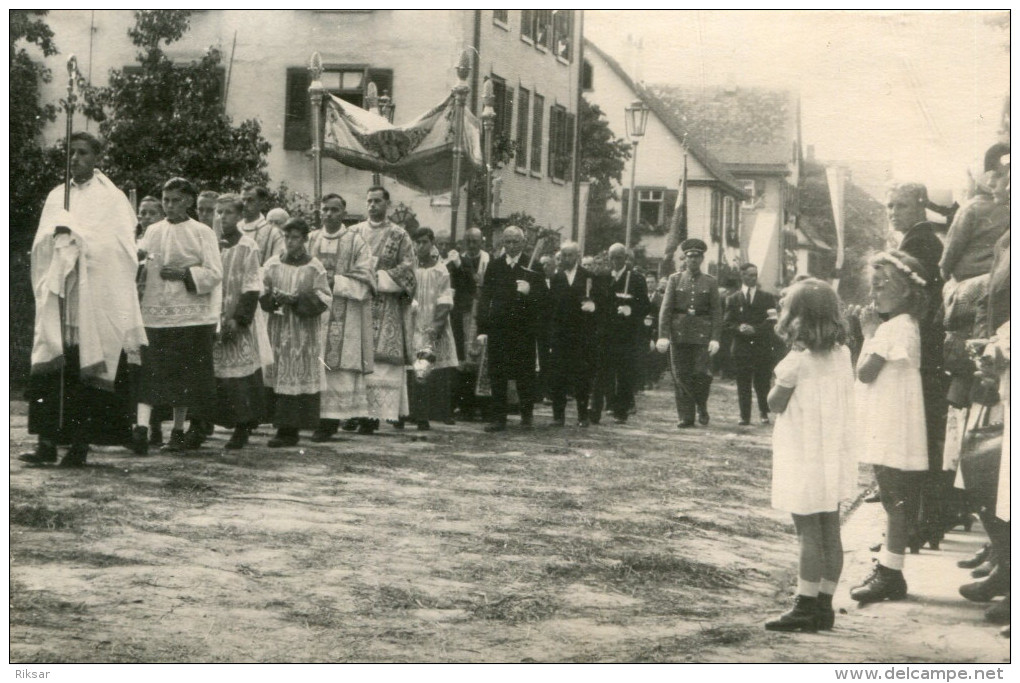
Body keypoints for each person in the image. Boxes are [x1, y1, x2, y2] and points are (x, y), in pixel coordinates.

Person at [21, 131, 147, 468]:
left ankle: (79, 445)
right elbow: (39, 244)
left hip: (93, 296)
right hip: (61, 292)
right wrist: (56, 242)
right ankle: (46, 443)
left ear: (97, 158)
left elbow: (122, 248)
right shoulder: (55, 196)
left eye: (82, 153)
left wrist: (80, 243)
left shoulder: (112, 199)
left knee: (81, 368)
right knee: (52, 367)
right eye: (71, 153)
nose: (75, 159)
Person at [764, 279, 856, 632]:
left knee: (807, 532)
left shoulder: (796, 361)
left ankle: (804, 604)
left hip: (803, 452)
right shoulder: (843, 355)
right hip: (832, 452)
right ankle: (824, 603)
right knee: (830, 528)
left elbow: (775, 402)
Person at [849, 251, 930, 604]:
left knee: (895, 501)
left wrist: (867, 333)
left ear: (904, 291)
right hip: (892, 421)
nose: (874, 294)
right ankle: (889, 568)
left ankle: (891, 573)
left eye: (882, 286)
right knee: (894, 500)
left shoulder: (894, 328)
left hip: (893, 425)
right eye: (873, 286)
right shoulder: (902, 325)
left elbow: (865, 371)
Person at [131, 177, 223, 453]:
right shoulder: (152, 232)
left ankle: (179, 432)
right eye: (166, 200)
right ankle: (142, 430)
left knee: (184, 379)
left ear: (189, 202)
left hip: (192, 317)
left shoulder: (202, 232)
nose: (169, 205)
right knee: (150, 373)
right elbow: (140, 266)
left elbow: (215, 273)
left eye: (175, 200)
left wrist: (185, 274)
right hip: (155, 315)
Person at [885, 182, 948, 549]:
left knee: (914, 441)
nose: (894, 212)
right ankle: (923, 524)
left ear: (922, 205)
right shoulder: (919, 240)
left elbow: (906, 302)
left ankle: (915, 527)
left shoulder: (918, 244)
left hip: (920, 355)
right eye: (890, 205)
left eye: (902, 205)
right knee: (923, 440)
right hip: (926, 354)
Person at [188, 193, 266, 450]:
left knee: (238, 376)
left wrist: (239, 319)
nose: (221, 217)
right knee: (205, 374)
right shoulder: (206, 243)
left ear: (240, 216)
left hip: (234, 318)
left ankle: (242, 427)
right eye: (218, 212)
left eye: (228, 212)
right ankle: (198, 427)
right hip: (208, 316)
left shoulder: (247, 246)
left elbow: (252, 283)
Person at [307, 193, 375, 442]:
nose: (329, 214)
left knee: (335, 370)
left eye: (335, 210)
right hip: (314, 313)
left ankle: (330, 421)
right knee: (314, 363)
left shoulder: (356, 242)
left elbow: (367, 278)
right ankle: (312, 417)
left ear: (344, 213)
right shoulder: (311, 239)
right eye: (325, 209)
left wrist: (334, 280)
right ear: (320, 211)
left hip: (344, 314)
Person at [350, 186, 417, 434]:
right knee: (356, 358)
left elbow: (409, 268)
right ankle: (354, 412)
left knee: (380, 363)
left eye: (377, 201)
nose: (372, 206)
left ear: (387, 204)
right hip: (359, 303)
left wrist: (378, 278)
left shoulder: (400, 235)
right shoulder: (354, 232)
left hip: (386, 304)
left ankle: (373, 416)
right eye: (369, 201)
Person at [260, 218, 332, 447]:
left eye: (295, 238)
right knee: (280, 374)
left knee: (296, 376)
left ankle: (290, 431)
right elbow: (262, 290)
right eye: (287, 237)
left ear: (304, 240)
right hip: (279, 329)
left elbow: (325, 297)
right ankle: (281, 427)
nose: (290, 242)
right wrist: (273, 299)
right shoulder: (272, 263)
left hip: (303, 332)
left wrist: (297, 299)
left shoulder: (314, 267)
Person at [476, 226, 547, 432]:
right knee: (498, 373)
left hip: (523, 329)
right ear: (503, 244)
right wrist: (482, 328)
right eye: (507, 241)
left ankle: (526, 416)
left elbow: (544, 299)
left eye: (516, 242)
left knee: (524, 374)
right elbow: (485, 298)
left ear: (524, 243)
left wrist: (530, 291)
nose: (511, 246)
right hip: (499, 328)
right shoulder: (495, 266)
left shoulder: (533, 266)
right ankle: (499, 418)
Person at [656, 239, 722, 428]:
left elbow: (717, 312)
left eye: (696, 256)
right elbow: (666, 309)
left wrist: (715, 338)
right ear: (684, 258)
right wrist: (663, 335)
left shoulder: (710, 282)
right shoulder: (675, 279)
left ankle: (701, 405)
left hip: (702, 335)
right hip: (679, 333)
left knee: (701, 374)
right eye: (689, 256)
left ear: (702, 259)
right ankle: (686, 416)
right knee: (681, 375)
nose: (692, 260)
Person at [591, 243, 649, 424]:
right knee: (601, 373)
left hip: (626, 335)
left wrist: (630, 311)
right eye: (611, 258)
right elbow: (596, 301)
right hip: (605, 334)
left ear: (625, 258)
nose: (614, 261)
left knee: (624, 373)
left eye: (618, 258)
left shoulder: (636, 279)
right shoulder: (602, 277)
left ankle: (621, 410)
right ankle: (595, 410)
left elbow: (645, 305)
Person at [407, 227, 458, 430]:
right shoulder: (409, 267)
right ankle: (414, 413)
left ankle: (434, 413)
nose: (420, 246)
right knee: (414, 368)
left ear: (432, 243)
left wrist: (436, 326)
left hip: (434, 323)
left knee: (434, 369)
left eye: (424, 242)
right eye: (417, 242)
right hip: (413, 321)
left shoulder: (440, 270)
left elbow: (445, 300)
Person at [548, 241, 604, 427]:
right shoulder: (556, 278)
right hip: (561, 335)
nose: (565, 258)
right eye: (563, 255)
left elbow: (602, 303)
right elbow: (552, 307)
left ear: (577, 256)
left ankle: (582, 415)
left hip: (582, 335)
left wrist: (593, 307)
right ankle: (558, 415)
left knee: (582, 375)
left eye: (569, 255)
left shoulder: (589, 277)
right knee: (558, 376)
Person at [725, 263, 779, 426]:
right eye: (749, 275)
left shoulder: (767, 298)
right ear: (742, 276)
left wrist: (755, 329)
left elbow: (772, 321)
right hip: (741, 348)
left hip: (761, 347)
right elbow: (727, 323)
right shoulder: (733, 299)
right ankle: (744, 415)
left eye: (755, 275)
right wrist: (739, 327)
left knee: (762, 382)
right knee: (743, 383)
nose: (753, 278)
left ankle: (764, 412)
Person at [450, 227, 491, 421]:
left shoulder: (488, 260)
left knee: (482, 359)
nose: (472, 245)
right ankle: (465, 405)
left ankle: (483, 406)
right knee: (464, 359)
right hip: (464, 313)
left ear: (481, 242)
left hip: (481, 313)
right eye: (469, 241)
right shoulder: (457, 261)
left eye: (476, 241)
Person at [240, 184, 285, 265]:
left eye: (250, 200)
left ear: (262, 204)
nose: (244, 204)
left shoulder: (273, 233)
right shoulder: (235, 228)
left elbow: (277, 265)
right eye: (243, 200)